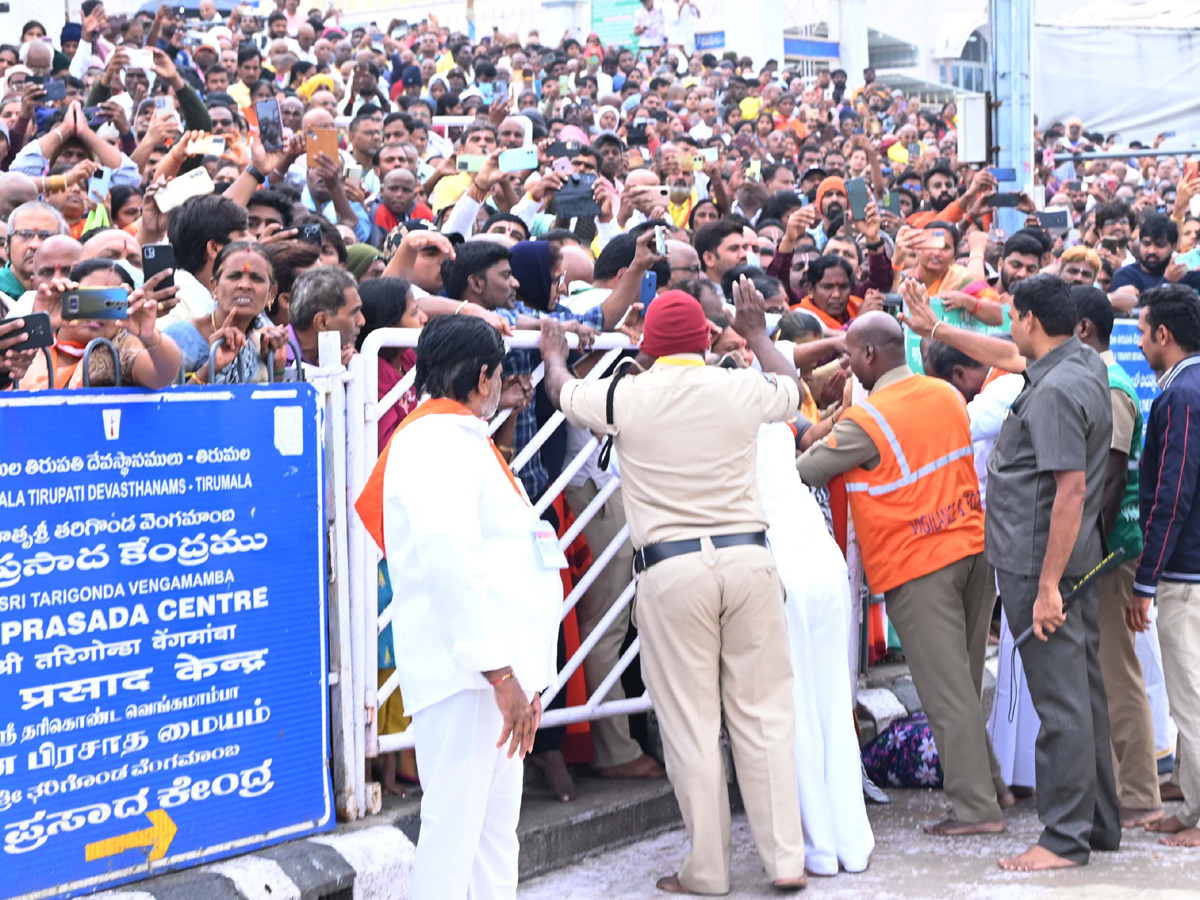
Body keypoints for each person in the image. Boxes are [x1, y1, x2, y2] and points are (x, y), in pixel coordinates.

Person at [539, 279, 809, 895]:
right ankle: (784, 860)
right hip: (748, 561)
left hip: (670, 570)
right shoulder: (740, 386)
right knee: (765, 716)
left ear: (646, 343)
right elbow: (793, 391)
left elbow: (561, 393)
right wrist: (761, 334)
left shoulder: (628, 396)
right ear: (708, 338)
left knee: (690, 722)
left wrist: (554, 351)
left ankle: (707, 871)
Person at [354, 315, 561, 900]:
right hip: (473, 677)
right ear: (485, 376)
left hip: (496, 675)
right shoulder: (434, 443)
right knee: (453, 839)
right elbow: (451, 566)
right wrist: (499, 672)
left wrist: (515, 673)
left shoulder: (456, 438)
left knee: (496, 837)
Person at [796, 310, 1010, 837]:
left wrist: (809, 426)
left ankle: (976, 810)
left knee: (945, 692)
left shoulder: (869, 419)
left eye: (850, 354)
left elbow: (806, 469)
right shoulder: (944, 394)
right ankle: (993, 787)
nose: (848, 365)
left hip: (919, 563)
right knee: (960, 681)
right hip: (971, 546)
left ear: (870, 355)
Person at [979, 274, 1119, 872]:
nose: (1011, 327)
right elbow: (1011, 353)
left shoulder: (1058, 387)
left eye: (1013, 316)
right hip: (1067, 556)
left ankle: (1063, 839)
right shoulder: (1079, 361)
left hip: (1045, 562)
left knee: (1060, 704)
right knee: (1083, 694)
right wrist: (940, 324)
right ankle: (1099, 824)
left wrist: (1044, 589)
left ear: (1031, 319)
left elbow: (1070, 491)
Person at [1133, 284, 1200, 849]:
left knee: (1192, 699)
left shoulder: (1180, 394)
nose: (1140, 341)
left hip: (1187, 572)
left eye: (1142, 330)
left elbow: (1172, 493)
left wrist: (1145, 578)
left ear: (1163, 334)